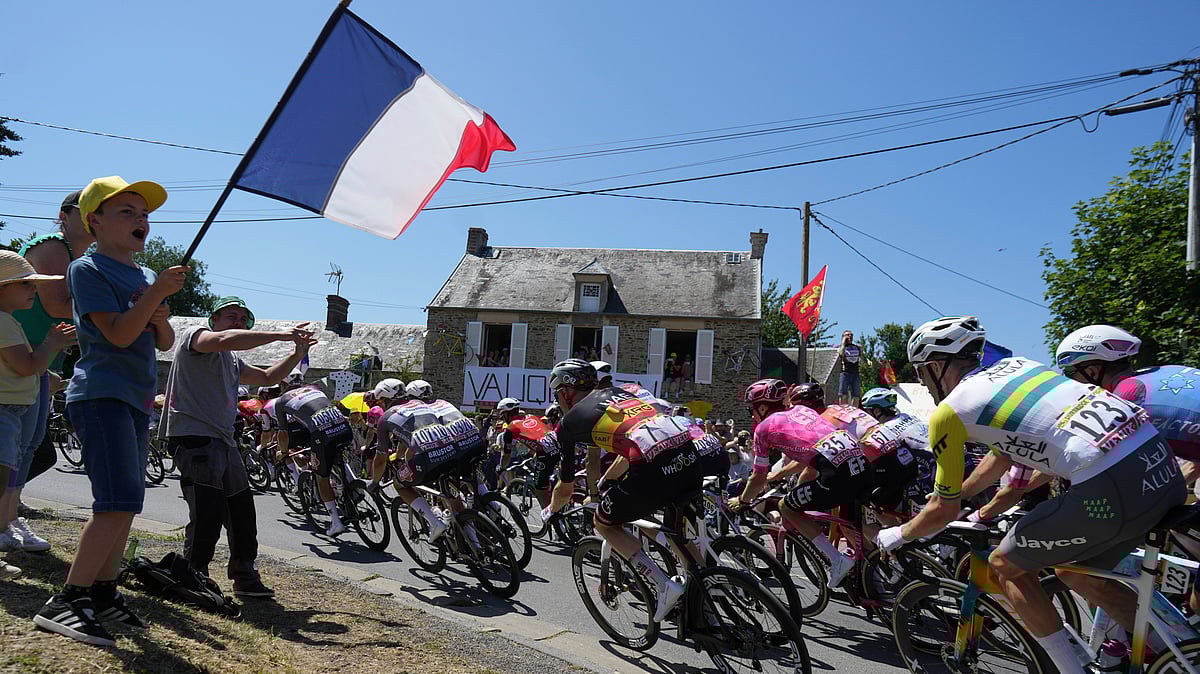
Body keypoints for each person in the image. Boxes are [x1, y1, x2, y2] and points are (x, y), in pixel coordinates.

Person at [875, 316, 1185, 674]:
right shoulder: (1020, 366)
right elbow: (1003, 452)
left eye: (919, 373)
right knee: (1075, 573)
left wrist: (897, 534)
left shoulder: (948, 412)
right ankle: (1176, 655)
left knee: (1006, 565)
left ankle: (1071, 669)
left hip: (1107, 487)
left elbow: (941, 509)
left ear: (933, 367)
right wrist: (967, 502)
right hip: (1160, 466)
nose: (922, 384)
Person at [34, 176, 187, 646]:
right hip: (101, 395)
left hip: (133, 399)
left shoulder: (141, 277)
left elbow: (163, 341)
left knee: (128, 503)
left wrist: (156, 307)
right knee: (116, 503)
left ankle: (103, 592)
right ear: (93, 220)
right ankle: (68, 598)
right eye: (127, 211)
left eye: (144, 213)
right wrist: (155, 297)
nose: (141, 219)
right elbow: (118, 335)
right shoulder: (87, 268)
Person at [545, 358, 723, 622]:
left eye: (558, 395)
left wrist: (551, 510)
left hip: (653, 470)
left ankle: (664, 586)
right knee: (675, 529)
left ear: (565, 393)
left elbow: (566, 486)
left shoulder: (569, 422)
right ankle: (706, 588)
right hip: (689, 457)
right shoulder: (622, 393)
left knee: (604, 522)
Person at [161, 296, 315, 598]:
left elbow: (268, 377)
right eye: (232, 316)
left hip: (224, 440)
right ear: (214, 319)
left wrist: (298, 352)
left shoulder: (231, 360)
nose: (239, 323)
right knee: (208, 510)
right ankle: (193, 574)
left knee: (242, 510)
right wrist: (283, 334)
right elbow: (228, 338)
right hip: (194, 436)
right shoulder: (194, 336)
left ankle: (244, 575)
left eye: (244, 319)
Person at [728, 378, 872, 589]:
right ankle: (879, 569)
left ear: (762, 407)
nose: (751, 415)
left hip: (835, 472)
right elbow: (807, 459)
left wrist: (742, 500)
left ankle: (836, 559)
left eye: (752, 409)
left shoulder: (763, 429)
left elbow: (758, 478)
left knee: (786, 507)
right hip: (860, 463)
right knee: (854, 527)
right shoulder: (804, 411)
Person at [9, 189, 96, 531]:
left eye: (101, 209)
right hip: (17, 358)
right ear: (65, 214)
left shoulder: (81, 256)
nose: (94, 215)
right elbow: (59, 306)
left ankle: (8, 508)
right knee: (26, 447)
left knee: (33, 448)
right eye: (86, 208)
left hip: (39, 360)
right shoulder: (54, 246)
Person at [0, 251, 75, 576]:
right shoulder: (2, 321)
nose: (34, 289)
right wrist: (53, 343)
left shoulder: (8, 320)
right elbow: (28, 365)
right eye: (26, 284)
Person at [375, 379, 487, 543]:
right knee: (453, 496)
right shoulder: (425, 405)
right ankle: (475, 543)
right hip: (454, 450)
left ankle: (434, 523)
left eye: (380, 401)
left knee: (399, 483)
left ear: (385, 399)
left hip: (428, 459)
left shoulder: (386, 417)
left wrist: (374, 482)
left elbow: (380, 459)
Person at [789, 381, 914, 520]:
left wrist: (792, 494)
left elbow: (808, 469)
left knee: (849, 519)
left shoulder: (820, 423)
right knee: (881, 513)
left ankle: (894, 537)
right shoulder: (842, 407)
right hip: (904, 456)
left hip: (883, 465)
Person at [274, 375, 355, 537]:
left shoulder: (281, 401)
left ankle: (336, 522)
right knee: (336, 457)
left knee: (321, 478)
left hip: (322, 435)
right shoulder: (315, 388)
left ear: (282, 384)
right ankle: (354, 486)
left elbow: (283, 435)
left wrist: (283, 453)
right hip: (344, 427)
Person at [362, 378, 405, 493]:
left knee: (400, 484)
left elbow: (371, 432)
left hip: (385, 438)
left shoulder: (377, 414)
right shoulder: (417, 404)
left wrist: (366, 447)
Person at [836, 330, 862, 405]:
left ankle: (854, 410)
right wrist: (843, 343)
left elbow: (862, 357)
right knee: (843, 394)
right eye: (847, 335)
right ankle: (843, 410)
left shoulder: (856, 347)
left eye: (851, 335)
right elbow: (841, 354)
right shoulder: (841, 347)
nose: (850, 336)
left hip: (855, 373)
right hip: (845, 373)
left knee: (856, 395)